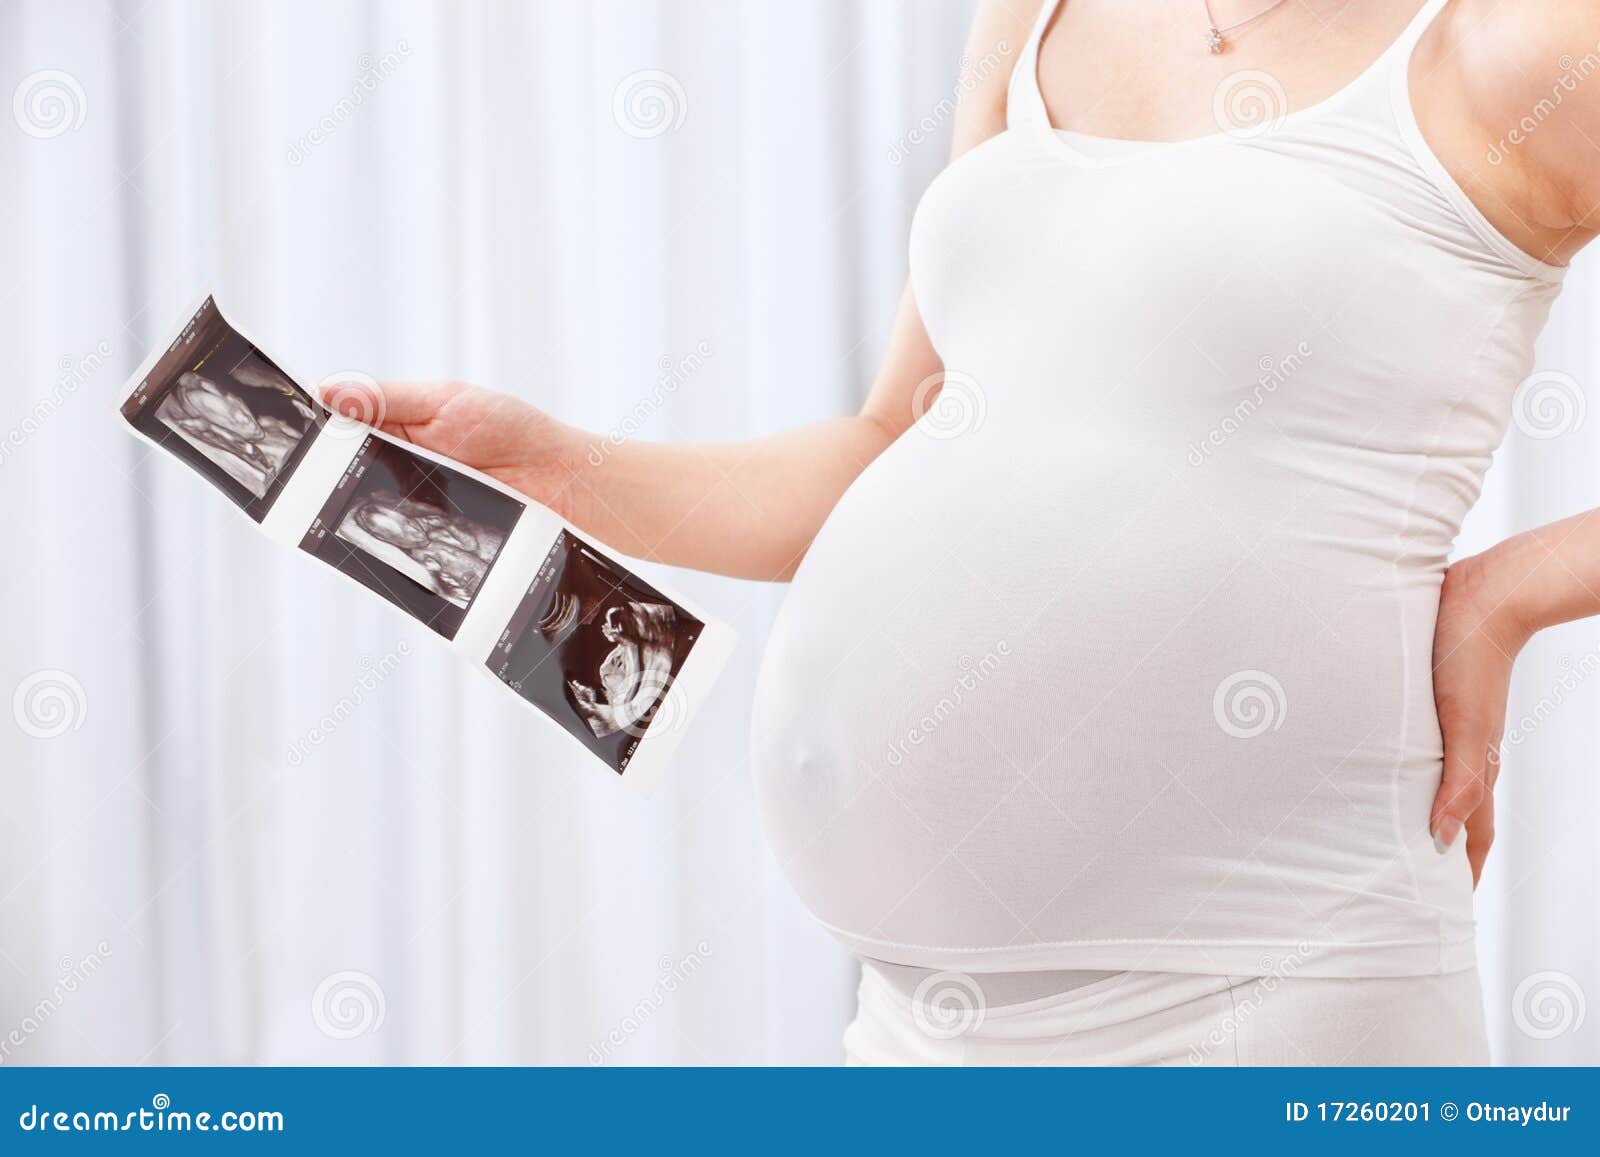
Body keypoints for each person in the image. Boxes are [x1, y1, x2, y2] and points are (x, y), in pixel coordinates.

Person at [324, 0, 1600, 1064]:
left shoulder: (1515, 44)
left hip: (1271, 987)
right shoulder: (1039, 11)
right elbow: (893, 437)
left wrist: (1509, 591)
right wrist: (555, 459)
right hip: (916, 1029)